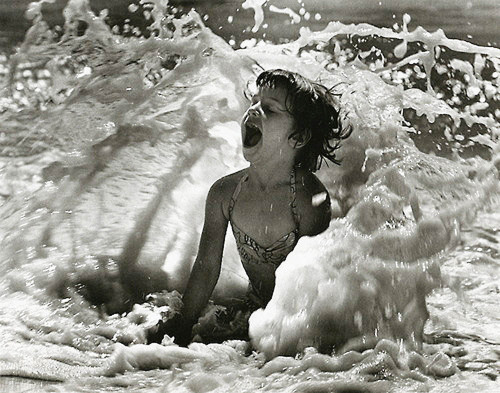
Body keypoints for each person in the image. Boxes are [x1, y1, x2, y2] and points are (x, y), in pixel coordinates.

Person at [148, 69, 351, 346]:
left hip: (292, 321)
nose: (254, 111)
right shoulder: (226, 193)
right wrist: (184, 324)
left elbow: (316, 285)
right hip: (253, 312)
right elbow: (207, 268)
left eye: (270, 109)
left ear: (298, 137)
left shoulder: (308, 200)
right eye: (254, 102)